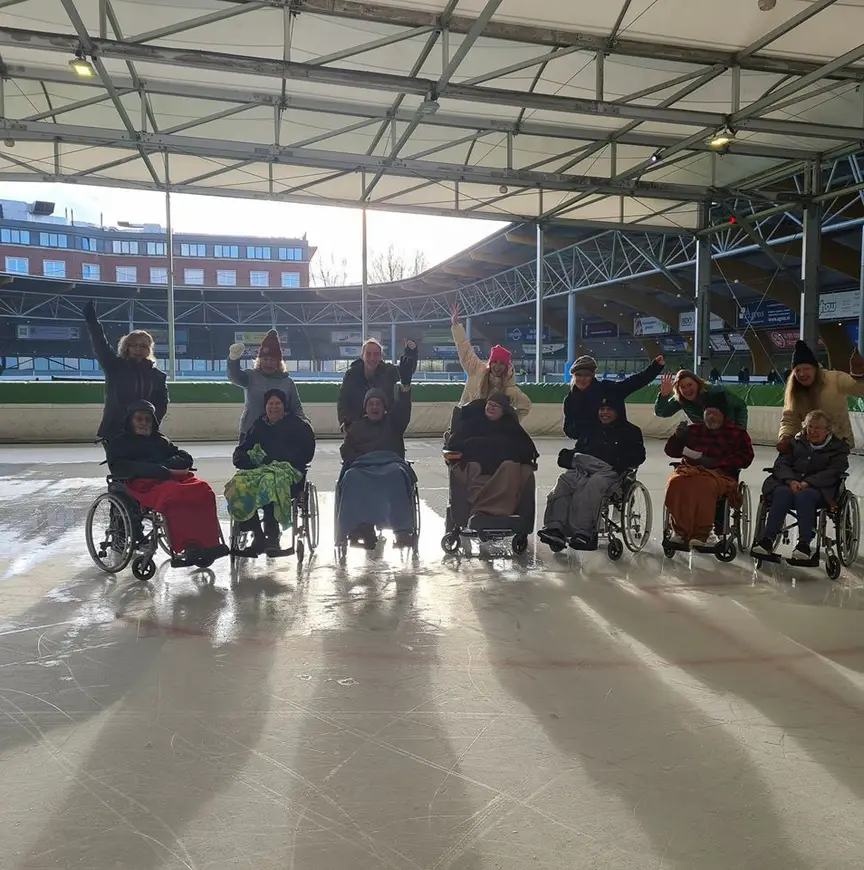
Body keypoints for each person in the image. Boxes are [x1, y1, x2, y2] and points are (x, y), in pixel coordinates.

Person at [105, 401, 228, 565]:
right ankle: (188, 545)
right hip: (140, 483)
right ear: (130, 421)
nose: (143, 423)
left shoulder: (159, 440)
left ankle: (208, 542)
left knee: (202, 490)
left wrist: (168, 466)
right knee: (175, 496)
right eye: (139, 419)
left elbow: (183, 456)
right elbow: (118, 467)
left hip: (167, 478)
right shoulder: (120, 442)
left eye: (147, 419)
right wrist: (154, 470)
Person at [539, 394, 645, 549]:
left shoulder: (631, 431)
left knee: (593, 485)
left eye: (609, 409)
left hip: (610, 471)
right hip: (584, 468)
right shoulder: (590, 429)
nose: (604, 413)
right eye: (602, 409)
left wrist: (620, 461)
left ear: (619, 411)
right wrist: (569, 456)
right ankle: (555, 528)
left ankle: (583, 532)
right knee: (565, 481)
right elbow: (580, 449)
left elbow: (639, 456)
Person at [337, 353, 417, 549]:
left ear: (384, 407)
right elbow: (346, 450)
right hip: (362, 467)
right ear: (366, 407)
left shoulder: (394, 422)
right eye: (371, 404)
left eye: (378, 403)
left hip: (390, 465)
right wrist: (359, 461)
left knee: (397, 475)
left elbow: (404, 408)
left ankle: (402, 531)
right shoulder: (356, 427)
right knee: (351, 477)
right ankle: (358, 527)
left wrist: (405, 386)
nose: (374, 406)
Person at [227, 388, 316, 555]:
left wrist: (274, 460)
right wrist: (244, 460)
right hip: (259, 470)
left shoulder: (298, 426)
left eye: (278, 403)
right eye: (270, 403)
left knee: (269, 482)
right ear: (265, 406)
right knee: (237, 485)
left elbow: (306, 454)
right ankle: (258, 536)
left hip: (288, 472)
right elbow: (242, 450)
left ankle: (273, 536)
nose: (274, 407)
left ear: (285, 406)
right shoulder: (258, 426)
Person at [752, 410, 850, 563]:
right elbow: (781, 463)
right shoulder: (795, 442)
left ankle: (803, 544)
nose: (813, 431)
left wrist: (808, 483)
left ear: (828, 430)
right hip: (790, 484)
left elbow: (834, 471)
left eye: (818, 428)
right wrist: (791, 480)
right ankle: (767, 540)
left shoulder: (838, 448)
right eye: (810, 426)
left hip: (819, 490)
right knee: (781, 492)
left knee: (805, 495)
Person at [664, 392, 754, 548]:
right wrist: (678, 437)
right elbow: (671, 451)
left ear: (724, 415)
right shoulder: (693, 430)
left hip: (720, 474)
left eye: (715, 413)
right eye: (707, 413)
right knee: (676, 483)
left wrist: (719, 462)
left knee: (704, 485)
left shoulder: (737, 434)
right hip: (690, 470)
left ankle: (701, 533)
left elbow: (746, 457)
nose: (710, 417)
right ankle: (679, 530)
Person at [445, 393, 538, 521]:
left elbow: (526, 448)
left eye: (496, 406)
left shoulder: (511, 427)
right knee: (471, 468)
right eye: (489, 404)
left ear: (503, 411)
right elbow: (455, 444)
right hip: (475, 464)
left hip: (503, 466)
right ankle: (480, 511)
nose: (491, 408)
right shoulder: (472, 423)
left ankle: (492, 511)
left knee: (512, 467)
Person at [83, 301, 168, 440]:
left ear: (149, 349)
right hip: (115, 430)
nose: (138, 349)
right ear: (126, 347)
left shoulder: (158, 376)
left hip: (145, 431)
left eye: (143, 346)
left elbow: (161, 404)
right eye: (133, 345)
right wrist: (92, 322)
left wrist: (151, 424)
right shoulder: (114, 367)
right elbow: (100, 345)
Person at [450, 303, 531, 419]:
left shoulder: (510, 390)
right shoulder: (476, 370)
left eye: (502, 363)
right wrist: (456, 325)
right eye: (495, 362)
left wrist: (509, 423)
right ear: (490, 362)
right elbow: (464, 348)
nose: (497, 366)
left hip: (488, 429)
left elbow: (525, 407)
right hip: (466, 420)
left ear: (507, 366)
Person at [778, 340, 864, 448]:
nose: (802, 373)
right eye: (797, 370)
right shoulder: (794, 391)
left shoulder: (835, 379)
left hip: (839, 442)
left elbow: (860, 390)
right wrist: (785, 437)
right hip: (809, 444)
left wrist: (859, 375)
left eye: (806, 369)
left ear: (816, 369)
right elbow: (790, 419)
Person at [564, 353, 664, 441]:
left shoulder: (608, 389)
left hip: (615, 444)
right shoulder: (570, 400)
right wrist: (581, 432)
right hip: (588, 445)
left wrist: (655, 367)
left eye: (587, 375)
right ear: (574, 376)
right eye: (578, 375)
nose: (582, 378)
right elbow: (568, 427)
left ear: (593, 376)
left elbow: (634, 382)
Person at [227, 331, 306, 437]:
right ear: (259, 360)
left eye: (273, 360)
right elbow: (234, 377)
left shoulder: (287, 382)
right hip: (251, 431)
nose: (268, 363)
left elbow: (296, 407)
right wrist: (233, 359)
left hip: (279, 432)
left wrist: (304, 422)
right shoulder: (251, 376)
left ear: (279, 362)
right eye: (265, 359)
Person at [337, 337, 418, 431]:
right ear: (362, 356)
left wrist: (411, 353)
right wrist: (343, 421)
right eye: (368, 354)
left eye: (376, 354)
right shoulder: (351, 374)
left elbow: (406, 370)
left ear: (381, 357)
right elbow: (343, 400)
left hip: (384, 427)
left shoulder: (388, 371)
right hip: (357, 427)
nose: (372, 358)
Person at [655, 369, 748, 428]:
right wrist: (664, 395)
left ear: (698, 383)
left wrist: (740, 430)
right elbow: (662, 412)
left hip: (727, 434)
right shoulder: (681, 400)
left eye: (690, 385)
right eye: (682, 387)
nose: (687, 390)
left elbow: (740, 406)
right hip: (705, 438)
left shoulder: (716, 392)